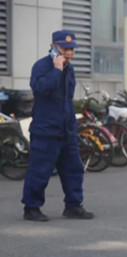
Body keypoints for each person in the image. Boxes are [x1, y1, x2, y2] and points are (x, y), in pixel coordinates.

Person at [21, 30, 94, 222]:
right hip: (46, 130)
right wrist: (56, 70)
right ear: (54, 47)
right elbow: (40, 90)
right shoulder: (42, 66)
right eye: (65, 48)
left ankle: (73, 205)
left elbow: (67, 100)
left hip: (66, 130)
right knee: (40, 171)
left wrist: (72, 124)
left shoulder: (70, 68)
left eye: (72, 49)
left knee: (74, 169)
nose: (69, 53)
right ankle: (32, 207)